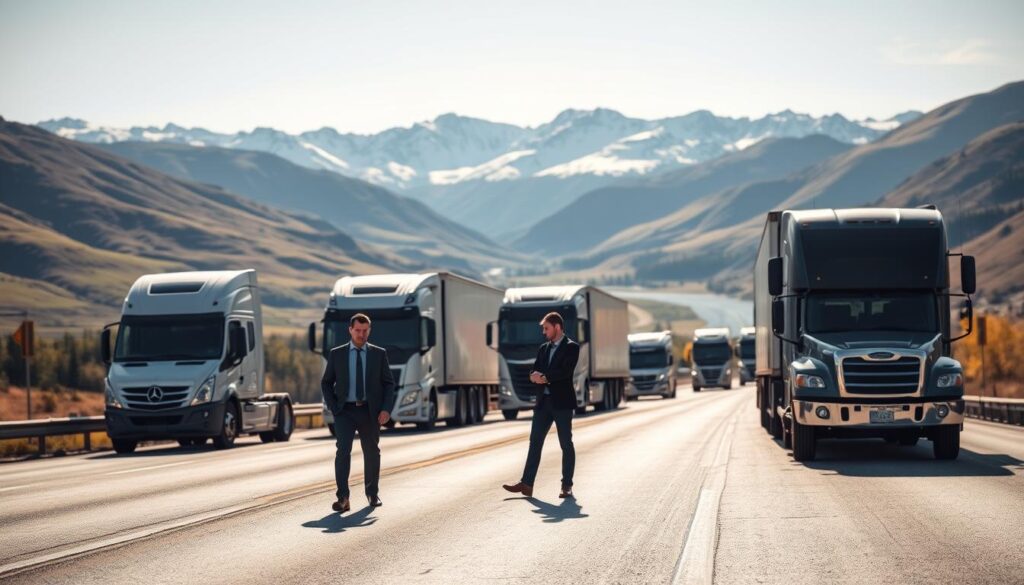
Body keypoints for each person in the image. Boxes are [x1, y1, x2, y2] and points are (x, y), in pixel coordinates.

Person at [320, 313, 396, 513]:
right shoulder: (337, 354)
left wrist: (386, 409)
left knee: (371, 452)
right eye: (357, 330)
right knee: (342, 452)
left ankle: (372, 494)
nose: (361, 334)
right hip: (344, 411)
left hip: (370, 412)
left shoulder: (379, 354)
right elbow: (326, 382)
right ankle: (343, 498)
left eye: (365, 331)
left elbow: (389, 384)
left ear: (369, 330)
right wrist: (334, 407)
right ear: (350, 330)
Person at [502, 311, 580, 499]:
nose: (544, 332)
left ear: (557, 327)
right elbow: (535, 369)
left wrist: (543, 377)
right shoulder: (543, 348)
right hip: (543, 404)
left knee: (565, 444)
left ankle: (566, 486)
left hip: (562, 404)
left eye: (547, 328)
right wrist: (533, 376)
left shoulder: (572, 347)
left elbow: (565, 372)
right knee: (535, 443)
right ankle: (527, 484)